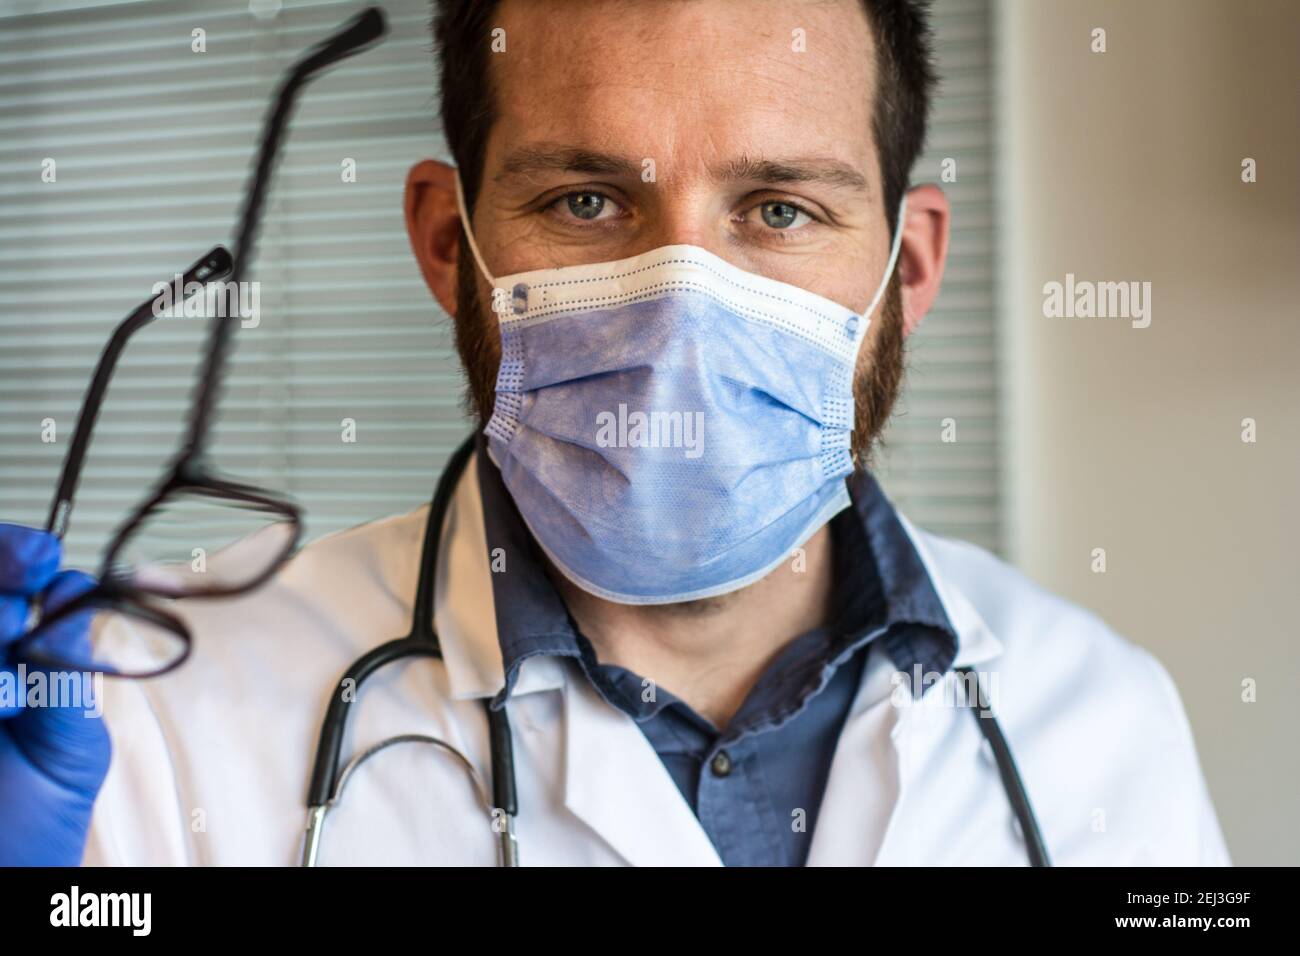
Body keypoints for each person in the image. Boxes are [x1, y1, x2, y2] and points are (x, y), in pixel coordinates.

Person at [0, 0, 1229, 866]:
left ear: (903, 271)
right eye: (585, 201)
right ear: (447, 244)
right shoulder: (147, 712)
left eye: (779, 207)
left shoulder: (1098, 715)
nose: (679, 296)